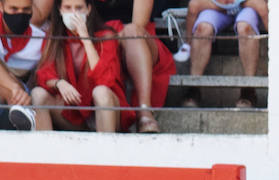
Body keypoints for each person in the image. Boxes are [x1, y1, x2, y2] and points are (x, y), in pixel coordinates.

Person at [32, 0, 174, 132]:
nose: (74, 13)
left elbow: (104, 79)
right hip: (74, 113)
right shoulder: (54, 37)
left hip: (105, 108)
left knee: (101, 92)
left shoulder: (106, 36)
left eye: (79, 8)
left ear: (88, 9)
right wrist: (59, 83)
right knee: (37, 94)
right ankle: (46, 154)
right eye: (68, 8)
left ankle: (107, 153)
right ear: (59, 10)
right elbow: (43, 74)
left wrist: (86, 40)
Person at [87, 0, 168, 131]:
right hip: (98, 41)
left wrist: (110, 40)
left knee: (132, 31)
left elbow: (139, 24)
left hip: (135, 42)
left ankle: (144, 111)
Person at [182, 0, 267, 110]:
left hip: (247, 4)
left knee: (245, 27)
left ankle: (249, 90)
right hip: (216, 4)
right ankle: (193, 88)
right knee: (202, 29)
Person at [0, 0, 47, 129]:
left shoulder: (41, 40)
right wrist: (13, 86)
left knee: (9, 90)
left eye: (26, 10)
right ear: (0, 6)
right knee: (10, 86)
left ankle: (22, 121)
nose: (20, 14)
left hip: (14, 101)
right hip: (11, 92)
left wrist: (16, 90)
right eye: (14, 9)